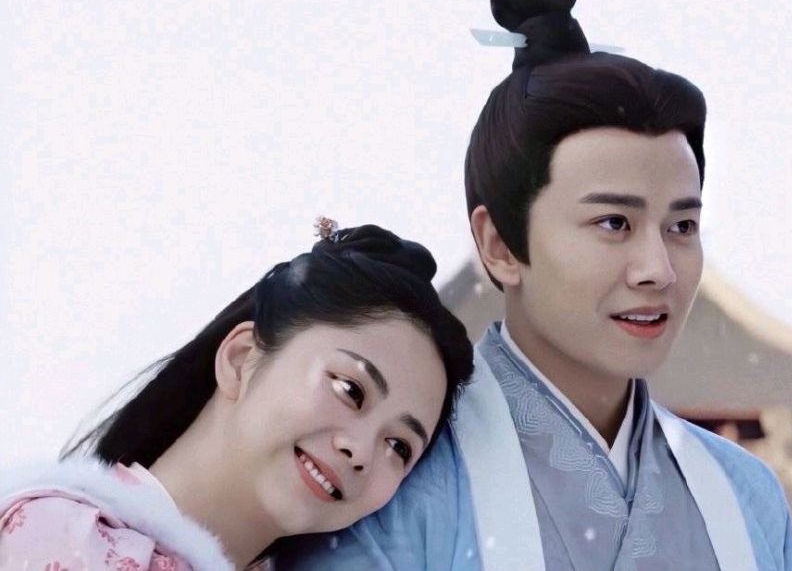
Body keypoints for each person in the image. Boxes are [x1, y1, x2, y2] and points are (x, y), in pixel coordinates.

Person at [279, 0, 792, 569]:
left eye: (682, 226)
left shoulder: (748, 497)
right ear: (499, 244)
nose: (658, 269)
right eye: (614, 222)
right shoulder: (390, 487)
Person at [0, 220, 474, 570]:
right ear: (242, 357)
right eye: (351, 389)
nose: (361, 451)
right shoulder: (60, 541)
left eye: (399, 447)